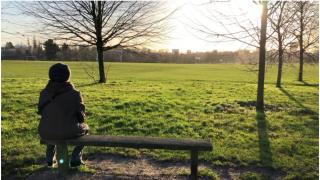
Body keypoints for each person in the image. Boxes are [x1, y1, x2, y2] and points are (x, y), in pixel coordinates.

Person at [37, 63, 89, 167]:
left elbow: (42, 112)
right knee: (86, 130)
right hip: (69, 131)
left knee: (53, 126)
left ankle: (49, 159)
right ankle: (75, 158)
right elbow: (81, 118)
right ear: (67, 76)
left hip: (45, 131)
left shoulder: (43, 93)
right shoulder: (75, 93)